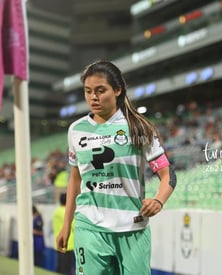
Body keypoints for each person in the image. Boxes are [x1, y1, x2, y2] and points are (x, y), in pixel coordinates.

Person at [56, 60, 176, 274]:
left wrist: (159, 200)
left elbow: (168, 174)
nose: (94, 97)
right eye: (88, 91)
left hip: (132, 228)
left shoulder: (139, 127)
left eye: (101, 90)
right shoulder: (76, 130)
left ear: (118, 90)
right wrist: (67, 224)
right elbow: (75, 178)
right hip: (89, 226)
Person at [53, 193, 75, 275]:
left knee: (60, 268)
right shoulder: (68, 213)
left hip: (58, 242)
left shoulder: (56, 212)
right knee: (67, 269)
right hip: (69, 244)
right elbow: (74, 226)